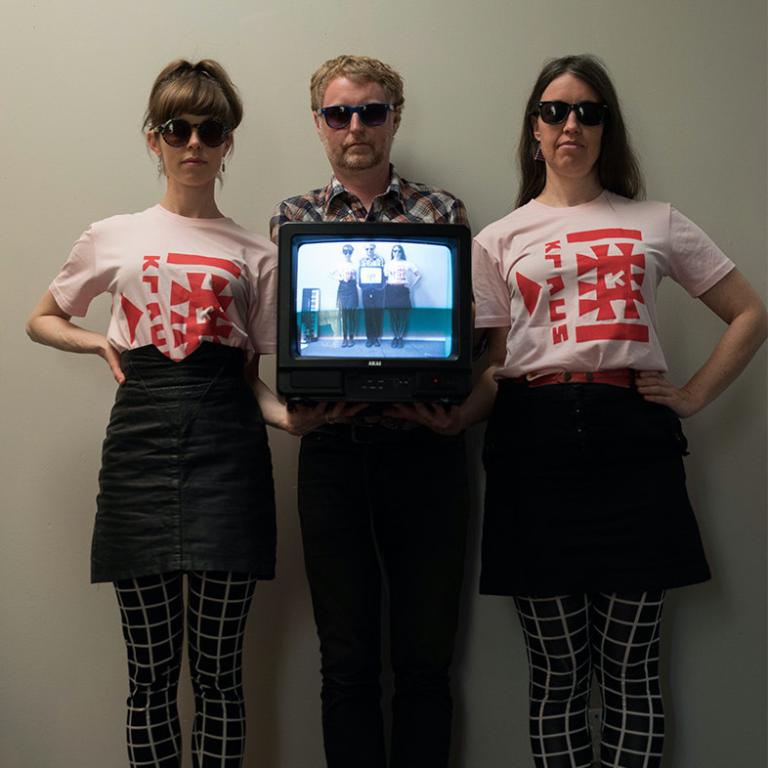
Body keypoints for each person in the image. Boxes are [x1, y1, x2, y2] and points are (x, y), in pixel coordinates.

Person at [435, 54, 766, 768]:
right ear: (534, 130)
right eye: (555, 111)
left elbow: (748, 313)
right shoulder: (499, 237)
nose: (571, 124)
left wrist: (695, 394)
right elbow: (494, 366)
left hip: (633, 442)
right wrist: (459, 418)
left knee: (631, 670)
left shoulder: (657, 220)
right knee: (557, 674)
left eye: (588, 111)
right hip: (532, 443)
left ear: (606, 129)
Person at [26, 59, 278, 768]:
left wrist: (290, 418)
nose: (193, 142)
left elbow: (250, 378)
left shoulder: (256, 253)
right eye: (177, 127)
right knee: (150, 677)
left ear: (229, 142)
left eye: (210, 128)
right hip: (138, 448)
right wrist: (96, 342)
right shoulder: (113, 235)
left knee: (222, 676)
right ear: (154, 139)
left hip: (229, 454)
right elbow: (41, 318)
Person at [268, 54, 470, 768]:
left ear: (395, 118)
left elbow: (477, 342)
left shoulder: (441, 213)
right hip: (332, 455)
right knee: (346, 661)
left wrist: (462, 412)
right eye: (339, 112)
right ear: (319, 122)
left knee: (425, 660)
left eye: (372, 111)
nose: (356, 126)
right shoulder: (293, 219)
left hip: (429, 453)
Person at [385, 244, 420, 348]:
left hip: (403, 291)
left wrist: (411, 285)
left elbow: (418, 275)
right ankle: (395, 337)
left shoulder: (407, 263)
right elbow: (386, 278)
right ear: (392, 253)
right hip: (391, 291)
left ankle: (400, 338)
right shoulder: (388, 264)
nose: (397, 253)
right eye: (394, 251)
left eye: (399, 251)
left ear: (402, 252)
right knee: (393, 316)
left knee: (403, 316)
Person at [358, 242, 386, 346]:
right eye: (367, 249)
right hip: (366, 291)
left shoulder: (381, 260)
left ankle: (377, 337)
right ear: (365, 250)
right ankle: (369, 338)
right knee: (368, 315)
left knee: (378, 314)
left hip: (378, 291)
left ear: (374, 249)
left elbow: (384, 275)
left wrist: (381, 288)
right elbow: (359, 277)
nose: (369, 251)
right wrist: (363, 288)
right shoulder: (361, 261)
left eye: (371, 249)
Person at [332, 243, 359, 347]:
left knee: (351, 316)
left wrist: (353, 278)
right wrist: (338, 278)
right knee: (344, 315)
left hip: (352, 289)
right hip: (343, 289)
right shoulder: (339, 264)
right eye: (345, 251)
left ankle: (351, 338)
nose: (348, 254)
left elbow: (357, 278)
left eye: (350, 252)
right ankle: (344, 339)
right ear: (343, 253)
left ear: (352, 253)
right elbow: (330, 273)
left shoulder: (354, 264)